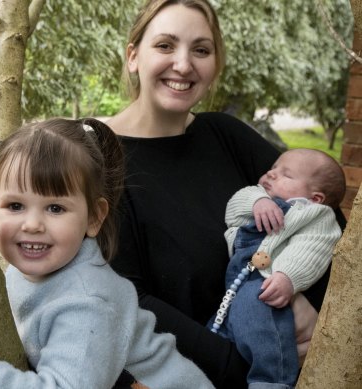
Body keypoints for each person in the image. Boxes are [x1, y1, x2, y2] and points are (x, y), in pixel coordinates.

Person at [105, 0, 347, 387]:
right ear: (133, 56)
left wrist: (307, 303)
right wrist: (242, 366)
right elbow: (125, 297)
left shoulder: (225, 135)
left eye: (201, 50)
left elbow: (328, 219)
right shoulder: (99, 155)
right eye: (165, 46)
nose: (183, 65)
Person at [0, 118, 214, 389]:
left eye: (56, 208)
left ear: (93, 218)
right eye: (15, 206)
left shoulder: (89, 303)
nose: (32, 224)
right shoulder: (26, 272)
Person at [208, 148, 345, 388]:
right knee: (219, 327)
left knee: (267, 336)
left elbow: (312, 247)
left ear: (315, 198)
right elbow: (234, 209)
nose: (271, 174)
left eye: (286, 175)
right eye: (273, 168)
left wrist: (287, 277)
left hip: (268, 284)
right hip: (236, 287)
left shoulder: (315, 216)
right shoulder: (257, 196)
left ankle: (272, 380)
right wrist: (258, 201)